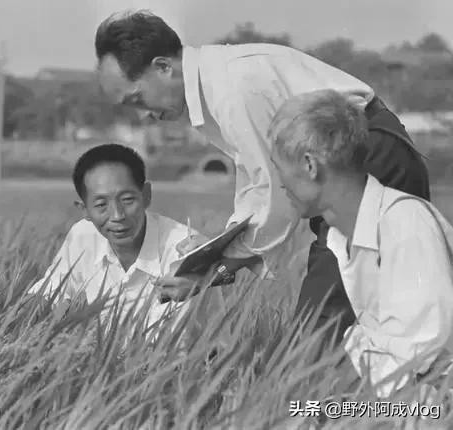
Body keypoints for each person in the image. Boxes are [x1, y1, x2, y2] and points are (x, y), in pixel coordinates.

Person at [94, 10, 430, 344]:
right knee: (366, 317)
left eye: (138, 99)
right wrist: (215, 254)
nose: (144, 116)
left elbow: (276, 197)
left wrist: (215, 265)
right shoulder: (215, 84)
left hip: (367, 160)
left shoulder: (233, 90)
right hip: (350, 163)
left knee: (320, 332)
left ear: (163, 67)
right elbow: (259, 186)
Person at [269, 89, 453, 397]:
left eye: (278, 168)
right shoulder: (342, 237)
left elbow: (418, 364)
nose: (279, 184)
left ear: (310, 165)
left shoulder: (404, 226)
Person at [32, 143, 216, 332]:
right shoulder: (83, 236)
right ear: (84, 209)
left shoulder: (186, 247)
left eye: (127, 200)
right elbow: (50, 295)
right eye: (101, 205)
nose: (118, 215)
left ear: (146, 195)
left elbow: (176, 341)